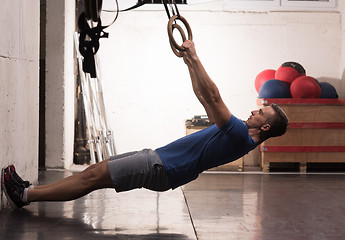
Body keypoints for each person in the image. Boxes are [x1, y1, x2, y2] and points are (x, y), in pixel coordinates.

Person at [1, 40, 289, 209]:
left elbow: (214, 95)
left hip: (162, 166)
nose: (254, 110)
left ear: (264, 128)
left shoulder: (240, 135)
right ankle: (30, 191)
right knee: (93, 173)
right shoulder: (236, 131)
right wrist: (188, 62)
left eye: (261, 112)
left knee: (92, 178)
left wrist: (195, 55)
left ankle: (25, 195)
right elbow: (204, 96)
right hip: (161, 162)